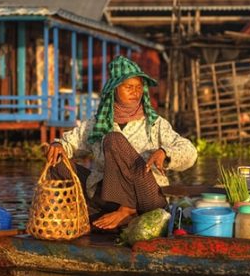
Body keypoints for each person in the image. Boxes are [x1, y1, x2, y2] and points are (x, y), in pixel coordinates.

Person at [46, 55, 198, 230]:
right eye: (129, 87)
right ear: (115, 90)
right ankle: (101, 213)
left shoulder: (155, 123)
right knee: (56, 162)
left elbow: (190, 151)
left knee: (114, 139)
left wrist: (165, 153)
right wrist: (58, 146)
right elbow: (70, 142)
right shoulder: (97, 123)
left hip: (147, 196)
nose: (136, 92)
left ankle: (127, 211)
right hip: (108, 198)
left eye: (139, 87)